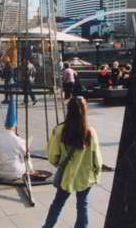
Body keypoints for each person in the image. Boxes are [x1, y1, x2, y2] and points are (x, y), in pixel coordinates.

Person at [42, 96, 103, 228]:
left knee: (58, 203)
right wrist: (96, 173)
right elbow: (97, 158)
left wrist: (59, 164)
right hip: (85, 176)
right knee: (83, 204)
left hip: (66, 176)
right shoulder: (90, 133)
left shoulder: (59, 130)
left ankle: (47, 226)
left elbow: (52, 155)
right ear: (84, 110)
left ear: (68, 110)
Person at [0, 96, 33, 180]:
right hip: (14, 173)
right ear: (15, 127)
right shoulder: (20, 141)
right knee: (23, 159)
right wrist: (31, 169)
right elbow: (26, 156)